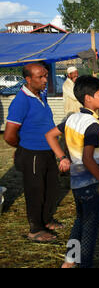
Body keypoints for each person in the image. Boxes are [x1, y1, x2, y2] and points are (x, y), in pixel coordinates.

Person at [45, 75, 99, 268]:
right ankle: (85, 264)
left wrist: (62, 157)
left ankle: (69, 260)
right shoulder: (94, 126)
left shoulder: (72, 118)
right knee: (90, 230)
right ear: (88, 98)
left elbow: (50, 135)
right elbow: (88, 158)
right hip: (91, 183)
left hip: (76, 182)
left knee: (80, 221)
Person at [4, 63, 61, 243]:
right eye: (40, 77)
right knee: (35, 191)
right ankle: (35, 229)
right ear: (28, 80)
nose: (45, 80)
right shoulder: (20, 102)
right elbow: (9, 135)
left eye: (46, 75)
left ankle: (46, 220)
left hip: (48, 151)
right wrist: (23, 148)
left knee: (51, 188)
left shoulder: (41, 95)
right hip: (33, 153)